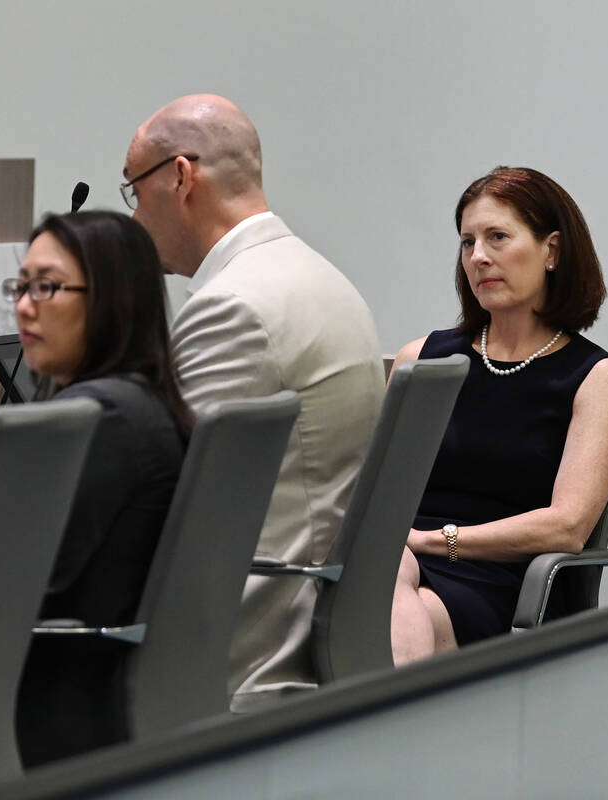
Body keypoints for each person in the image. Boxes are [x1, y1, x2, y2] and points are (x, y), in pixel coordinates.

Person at [122, 94, 384, 710]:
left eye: (134, 189)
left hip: (246, 652)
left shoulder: (232, 307)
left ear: (181, 178)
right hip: (316, 622)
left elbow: (174, 502)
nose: (133, 218)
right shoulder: (321, 277)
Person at [389, 166, 608, 663]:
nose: (478, 256)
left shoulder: (597, 377)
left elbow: (565, 528)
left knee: (373, 612)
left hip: (508, 577)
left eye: (497, 237)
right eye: (467, 241)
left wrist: (436, 541)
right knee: (379, 580)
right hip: (402, 558)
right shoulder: (421, 358)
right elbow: (375, 492)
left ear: (553, 251)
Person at [6, 211, 192, 766]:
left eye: (48, 287)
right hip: (100, 701)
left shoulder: (99, 418)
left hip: (49, 713)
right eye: (20, 285)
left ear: (112, 298)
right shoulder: (142, 404)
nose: (23, 305)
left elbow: (6, 585)